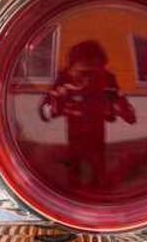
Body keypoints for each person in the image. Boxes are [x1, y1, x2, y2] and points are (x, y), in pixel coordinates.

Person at [38, 40, 135, 189]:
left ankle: (97, 189)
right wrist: (56, 104)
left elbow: (130, 117)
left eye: (94, 73)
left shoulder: (107, 79)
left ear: (102, 69)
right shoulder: (64, 79)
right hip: (75, 133)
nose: (87, 80)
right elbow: (44, 112)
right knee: (75, 168)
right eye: (82, 73)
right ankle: (76, 189)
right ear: (71, 69)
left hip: (97, 133)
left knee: (98, 168)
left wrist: (118, 106)